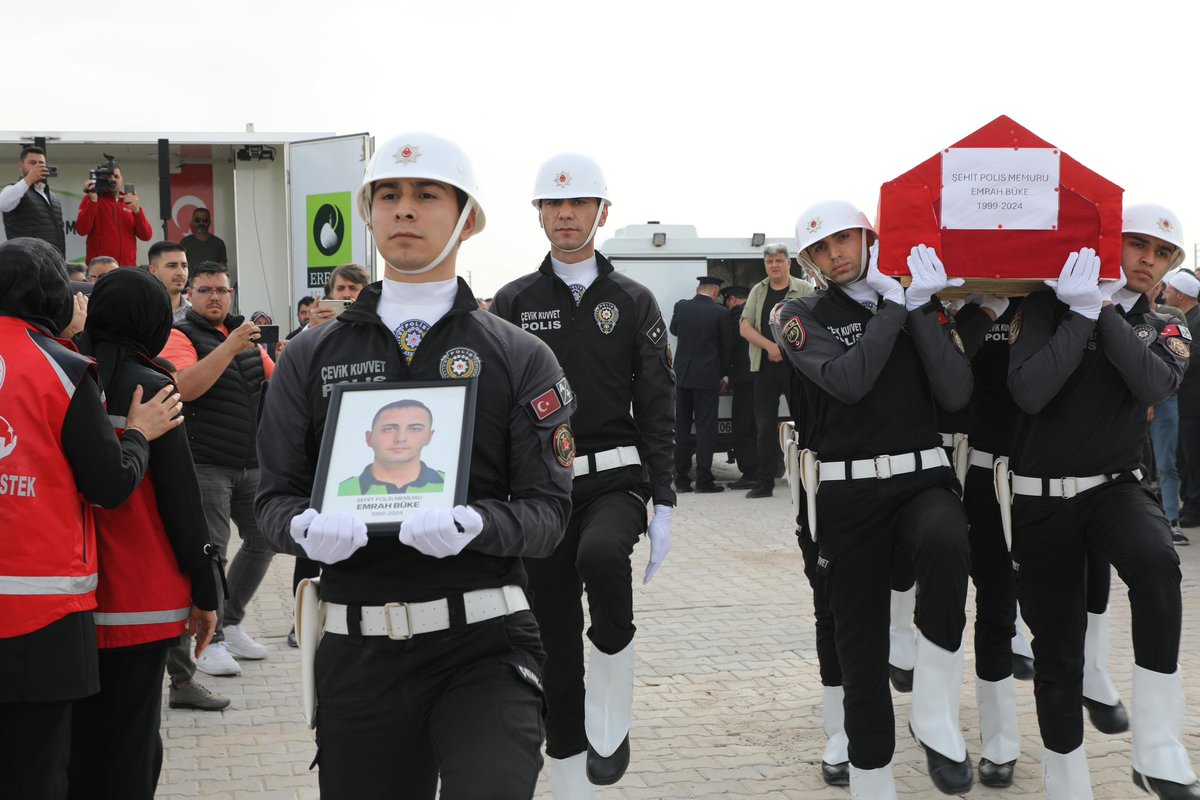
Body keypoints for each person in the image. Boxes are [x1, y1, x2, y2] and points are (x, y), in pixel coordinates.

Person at [255, 131, 574, 800]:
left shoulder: (518, 355)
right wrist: (303, 530)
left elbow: (548, 516)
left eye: (426, 195)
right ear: (368, 213)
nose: (404, 209)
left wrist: (478, 524)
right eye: (388, 195)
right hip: (356, 648)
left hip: (483, 646)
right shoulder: (309, 356)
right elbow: (272, 501)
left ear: (464, 218)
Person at [772, 200, 975, 797]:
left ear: (869, 237)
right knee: (857, 644)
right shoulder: (798, 312)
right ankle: (871, 778)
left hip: (921, 479)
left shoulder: (912, 301)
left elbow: (957, 393)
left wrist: (921, 310)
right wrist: (894, 307)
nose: (837, 254)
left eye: (846, 239)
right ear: (808, 260)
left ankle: (935, 715)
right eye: (821, 247)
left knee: (946, 542)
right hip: (846, 492)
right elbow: (848, 381)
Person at [490, 152, 675, 796]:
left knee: (602, 559)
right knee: (553, 633)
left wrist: (667, 499)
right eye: (553, 205)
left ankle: (613, 719)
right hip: (542, 490)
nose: (565, 215)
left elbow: (657, 402)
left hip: (615, 479)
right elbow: (495, 410)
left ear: (602, 212)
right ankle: (566, 753)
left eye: (578, 205)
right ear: (540, 214)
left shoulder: (632, 298)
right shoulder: (513, 300)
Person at [1006, 203, 1199, 797]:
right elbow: (1030, 392)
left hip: (1117, 488)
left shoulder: (1166, 325)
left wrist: (1104, 312)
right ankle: (1066, 781)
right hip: (1041, 500)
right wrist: (1079, 312)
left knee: (1157, 565)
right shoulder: (1043, 306)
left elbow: (1153, 383)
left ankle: (1158, 749)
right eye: (1137, 243)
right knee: (1058, 652)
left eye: (1161, 252)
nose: (1147, 258)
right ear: (1110, 242)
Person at [0, 237, 183, 800]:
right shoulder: (63, 367)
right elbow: (109, 485)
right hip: (42, 613)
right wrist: (137, 435)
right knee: (37, 769)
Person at [68, 268, 221, 799]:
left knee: (78, 739)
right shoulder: (155, 388)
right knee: (133, 741)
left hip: (69, 596)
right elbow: (183, 502)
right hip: (142, 599)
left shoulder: (66, 376)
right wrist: (206, 591)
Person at [160, 260, 276, 678]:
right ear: (190, 294)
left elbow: (278, 386)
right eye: (206, 290)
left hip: (252, 463)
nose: (215, 297)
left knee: (265, 538)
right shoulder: (179, 334)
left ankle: (230, 621)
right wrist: (230, 347)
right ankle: (209, 644)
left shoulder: (246, 338)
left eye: (222, 291)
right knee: (212, 553)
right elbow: (184, 386)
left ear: (232, 295)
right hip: (205, 462)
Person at [740, 242, 812, 498]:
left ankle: (808, 478)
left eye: (779, 261)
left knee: (805, 421)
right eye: (769, 262)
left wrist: (788, 351)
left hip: (797, 369)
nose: (774, 266)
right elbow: (745, 327)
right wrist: (771, 347)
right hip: (765, 368)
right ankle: (764, 482)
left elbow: (813, 326)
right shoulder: (758, 291)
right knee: (764, 426)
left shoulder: (803, 288)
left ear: (788, 263)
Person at [671, 276, 731, 493]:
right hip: (707, 377)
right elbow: (726, 348)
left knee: (682, 429)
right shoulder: (721, 313)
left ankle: (681, 480)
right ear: (716, 291)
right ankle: (704, 480)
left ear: (698, 289)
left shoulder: (682, 307)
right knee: (706, 428)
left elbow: (674, 331)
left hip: (682, 376)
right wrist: (724, 375)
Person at [338, 400, 445, 495]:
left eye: (415, 429)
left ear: (429, 436)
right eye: (389, 429)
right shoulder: (340, 491)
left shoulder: (451, 484)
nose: (401, 438)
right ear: (369, 438)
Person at [1167, 271, 1200, 535]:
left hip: (1194, 404)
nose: (1165, 293)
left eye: (1169, 290)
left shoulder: (1197, 320)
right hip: (1184, 401)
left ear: (1180, 295)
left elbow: (1192, 357)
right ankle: (1189, 503)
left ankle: (1195, 508)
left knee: (1193, 457)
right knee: (1184, 458)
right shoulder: (1185, 319)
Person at [75, 162, 152, 266]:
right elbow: (82, 229)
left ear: (121, 179)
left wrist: (137, 210)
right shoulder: (93, 198)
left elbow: (146, 236)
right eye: (109, 177)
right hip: (101, 269)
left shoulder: (129, 202)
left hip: (127, 267)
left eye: (116, 176)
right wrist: (93, 201)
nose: (113, 179)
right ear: (102, 180)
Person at [0, 146, 67, 256]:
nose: (37, 166)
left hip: (54, 261)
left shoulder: (51, 196)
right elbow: (3, 204)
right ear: (21, 166)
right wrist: (29, 179)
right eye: (32, 163)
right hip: (26, 261)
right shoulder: (13, 189)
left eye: (41, 163)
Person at [722, 285, 757, 488]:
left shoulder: (734, 316)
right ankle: (761, 469)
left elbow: (729, 348)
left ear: (733, 300)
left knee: (742, 427)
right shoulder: (757, 311)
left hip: (742, 379)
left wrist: (725, 376)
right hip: (760, 376)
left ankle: (750, 473)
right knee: (757, 424)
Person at [308, 263, 370, 329]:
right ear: (331, 292)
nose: (346, 295)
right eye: (340, 288)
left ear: (365, 291)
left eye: (353, 288)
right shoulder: (319, 321)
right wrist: (312, 328)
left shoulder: (374, 321)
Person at [147, 241, 191, 322]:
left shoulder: (195, 314)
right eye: (172, 266)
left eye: (184, 266)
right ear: (153, 271)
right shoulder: (141, 312)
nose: (181, 272)